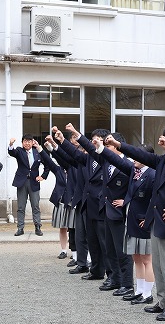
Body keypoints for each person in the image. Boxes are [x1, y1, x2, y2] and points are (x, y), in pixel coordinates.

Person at [107, 125, 165, 321]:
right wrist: (119, 145)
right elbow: (144, 156)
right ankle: (163, 301)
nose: (163, 139)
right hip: (157, 222)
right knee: (158, 265)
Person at [99, 141, 157, 305]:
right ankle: (139, 291)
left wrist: (148, 218)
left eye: (138, 155)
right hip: (132, 219)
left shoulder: (152, 174)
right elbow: (117, 160)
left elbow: (154, 200)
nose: (134, 159)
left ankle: (147, 294)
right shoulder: (135, 171)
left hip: (143, 221)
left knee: (146, 258)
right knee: (137, 257)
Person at [56, 125, 108, 283]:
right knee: (90, 239)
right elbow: (74, 154)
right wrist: (62, 141)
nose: (94, 143)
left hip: (101, 205)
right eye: (93, 140)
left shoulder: (106, 157)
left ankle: (111, 274)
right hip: (87, 203)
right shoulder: (89, 158)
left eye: (98, 140)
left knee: (103, 242)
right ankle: (96, 270)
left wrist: (76, 134)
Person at [91, 132, 133, 296]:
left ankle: (127, 283)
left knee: (122, 250)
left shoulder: (128, 164)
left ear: (117, 145)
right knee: (110, 248)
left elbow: (135, 186)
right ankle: (114, 278)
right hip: (107, 210)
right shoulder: (108, 163)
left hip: (120, 212)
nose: (105, 149)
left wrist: (126, 200)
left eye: (108, 146)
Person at [37, 138, 73, 258]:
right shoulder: (59, 170)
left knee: (74, 229)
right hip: (61, 201)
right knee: (62, 227)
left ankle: (76, 253)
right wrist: (40, 149)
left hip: (73, 203)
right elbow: (48, 160)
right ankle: (63, 250)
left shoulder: (76, 169)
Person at [8, 133, 49, 236]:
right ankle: (20, 228)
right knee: (21, 207)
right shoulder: (19, 151)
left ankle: (38, 227)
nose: (27, 143)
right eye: (25, 141)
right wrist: (11, 144)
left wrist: (43, 176)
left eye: (29, 141)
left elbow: (47, 164)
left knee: (35, 206)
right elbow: (12, 152)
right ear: (22, 143)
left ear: (32, 142)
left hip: (34, 182)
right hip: (22, 182)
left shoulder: (37, 152)